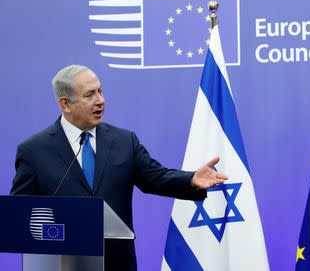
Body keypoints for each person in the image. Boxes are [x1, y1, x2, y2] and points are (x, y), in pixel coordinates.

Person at [10, 65, 228, 271]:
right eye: (90, 95)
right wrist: (63, 232)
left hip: (117, 263)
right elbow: (20, 217)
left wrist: (190, 179)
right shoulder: (34, 151)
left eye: (100, 91)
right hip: (62, 264)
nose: (100, 101)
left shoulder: (124, 141)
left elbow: (155, 177)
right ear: (65, 104)